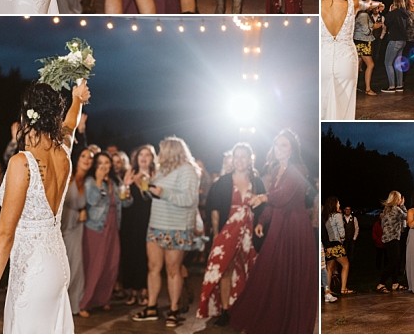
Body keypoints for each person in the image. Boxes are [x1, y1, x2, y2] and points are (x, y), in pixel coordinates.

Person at [0, 79, 90, 333]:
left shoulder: (22, 163)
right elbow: (71, 124)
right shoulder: (63, 152)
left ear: (26, 117)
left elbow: (4, 234)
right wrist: (78, 99)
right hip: (58, 264)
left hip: (34, 271)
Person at [229, 130, 317, 334]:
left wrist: (263, 197)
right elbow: (274, 201)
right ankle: (271, 320)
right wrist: (262, 221)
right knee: (271, 273)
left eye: (284, 145)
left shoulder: (297, 170)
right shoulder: (276, 169)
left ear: (292, 149)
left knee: (287, 275)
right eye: (277, 145)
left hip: (294, 228)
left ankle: (288, 324)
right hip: (279, 224)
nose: (279, 149)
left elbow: (283, 196)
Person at [131, 137, 200, 327]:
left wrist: (163, 193)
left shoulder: (188, 170)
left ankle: (174, 310)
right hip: (156, 225)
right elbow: (154, 194)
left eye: (162, 150)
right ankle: (151, 307)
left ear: (172, 150)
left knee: (173, 270)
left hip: (176, 226)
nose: (159, 154)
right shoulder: (162, 170)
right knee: (153, 267)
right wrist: (144, 186)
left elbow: (189, 199)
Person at [198, 142, 266, 324]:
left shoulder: (257, 182)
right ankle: (225, 310)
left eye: (244, 156)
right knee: (225, 269)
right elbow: (214, 210)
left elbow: (264, 209)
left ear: (250, 159)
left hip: (250, 232)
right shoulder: (223, 182)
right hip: (227, 230)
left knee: (249, 269)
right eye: (237, 156)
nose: (239, 160)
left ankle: (246, 308)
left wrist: (260, 224)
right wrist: (216, 234)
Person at [320, 0, 379, 119]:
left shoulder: (318, 4)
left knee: (322, 101)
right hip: (346, 60)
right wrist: (379, 3)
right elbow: (368, 4)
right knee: (345, 102)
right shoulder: (353, 2)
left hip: (323, 59)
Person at [80, 151, 132, 314]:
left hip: (113, 227)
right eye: (100, 163)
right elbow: (92, 200)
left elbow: (126, 203)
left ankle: (102, 299)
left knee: (110, 264)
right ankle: (84, 303)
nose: (104, 166)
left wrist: (127, 190)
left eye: (107, 163)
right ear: (95, 165)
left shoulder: (114, 182)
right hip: (95, 227)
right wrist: (98, 181)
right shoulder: (90, 181)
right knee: (94, 266)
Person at [120, 145, 156, 307]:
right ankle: (132, 290)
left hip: (149, 219)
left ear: (152, 158)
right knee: (131, 254)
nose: (144, 157)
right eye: (141, 154)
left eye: (147, 155)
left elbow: (153, 199)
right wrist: (127, 185)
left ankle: (144, 290)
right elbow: (124, 201)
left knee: (145, 256)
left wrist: (143, 184)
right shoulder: (130, 172)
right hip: (131, 220)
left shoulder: (155, 175)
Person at [61, 146, 93, 317]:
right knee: (62, 267)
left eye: (90, 157)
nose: (87, 159)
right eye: (83, 156)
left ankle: (75, 304)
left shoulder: (88, 182)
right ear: (77, 158)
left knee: (76, 265)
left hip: (77, 229)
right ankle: (59, 306)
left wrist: (83, 210)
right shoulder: (68, 175)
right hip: (63, 226)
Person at [376, 191, 408, 294]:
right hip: (393, 238)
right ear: (396, 199)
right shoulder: (396, 209)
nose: (400, 199)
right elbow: (407, 216)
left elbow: (383, 224)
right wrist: (402, 205)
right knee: (394, 261)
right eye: (399, 198)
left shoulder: (386, 209)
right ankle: (381, 283)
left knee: (393, 261)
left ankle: (395, 283)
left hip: (387, 238)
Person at [323, 196, 353, 296]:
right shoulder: (338, 215)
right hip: (336, 244)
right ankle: (343, 289)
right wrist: (343, 238)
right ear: (334, 204)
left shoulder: (325, 216)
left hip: (328, 245)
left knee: (329, 268)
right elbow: (342, 232)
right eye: (338, 203)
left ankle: (327, 290)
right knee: (346, 264)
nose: (339, 205)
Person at [383, 0, 409, 93]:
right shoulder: (405, 13)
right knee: (398, 63)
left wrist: (390, 11)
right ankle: (399, 85)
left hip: (394, 40)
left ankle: (391, 86)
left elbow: (386, 23)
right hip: (403, 41)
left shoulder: (394, 13)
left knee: (388, 63)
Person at [354, 0, 378, 96]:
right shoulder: (364, 15)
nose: (371, 5)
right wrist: (373, 27)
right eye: (370, 3)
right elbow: (366, 30)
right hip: (363, 42)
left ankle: (354, 87)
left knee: (357, 66)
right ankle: (368, 89)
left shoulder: (359, 14)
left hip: (359, 41)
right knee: (370, 64)